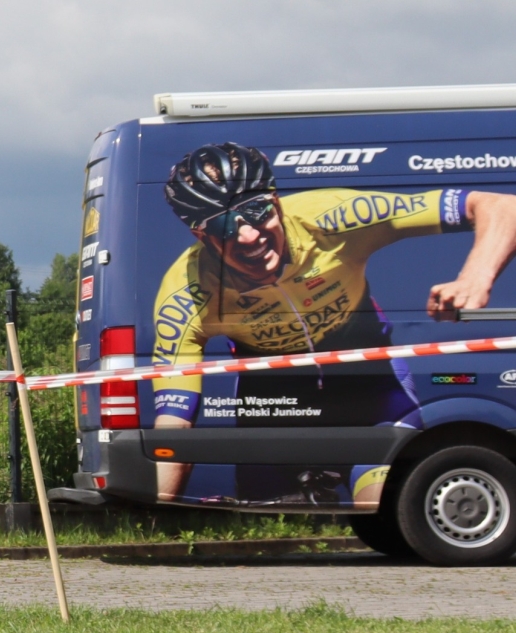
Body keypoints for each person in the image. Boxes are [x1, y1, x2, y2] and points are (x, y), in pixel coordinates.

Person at [151, 142, 516, 506]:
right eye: (225, 224)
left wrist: (475, 277)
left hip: (371, 386)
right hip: (275, 403)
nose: (248, 235)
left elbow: (502, 206)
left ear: (276, 201)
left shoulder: (332, 218)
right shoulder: (186, 294)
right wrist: (158, 511)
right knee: (267, 521)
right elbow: (174, 422)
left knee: (386, 502)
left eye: (257, 210)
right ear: (201, 235)